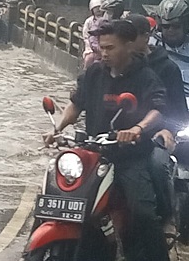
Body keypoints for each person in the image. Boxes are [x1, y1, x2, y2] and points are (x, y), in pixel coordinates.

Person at [42, 20, 169, 261]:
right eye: (102, 47)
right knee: (61, 199)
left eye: (110, 48)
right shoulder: (94, 72)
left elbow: (157, 110)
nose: (104, 53)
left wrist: (137, 128)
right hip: (93, 154)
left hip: (129, 158)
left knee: (143, 213)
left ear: (129, 45)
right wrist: (57, 129)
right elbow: (77, 104)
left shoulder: (145, 76)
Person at [127, 13, 188, 232]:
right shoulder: (112, 67)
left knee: (156, 163)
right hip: (118, 137)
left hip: (153, 137)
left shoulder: (165, 69)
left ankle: (165, 219)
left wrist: (164, 129)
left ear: (146, 37)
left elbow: (176, 112)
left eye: (129, 37)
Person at [153, 0, 189, 102]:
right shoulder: (151, 47)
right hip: (162, 103)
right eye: (166, 26)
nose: (170, 30)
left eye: (176, 26)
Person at [82, 0, 106, 69]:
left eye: (99, 7)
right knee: (89, 59)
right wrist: (91, 47)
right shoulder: (89, 21)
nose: (98, 9)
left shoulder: (106, 20)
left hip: (104, 46)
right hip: (91, 48)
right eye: (95, 8)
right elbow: (86, 36)